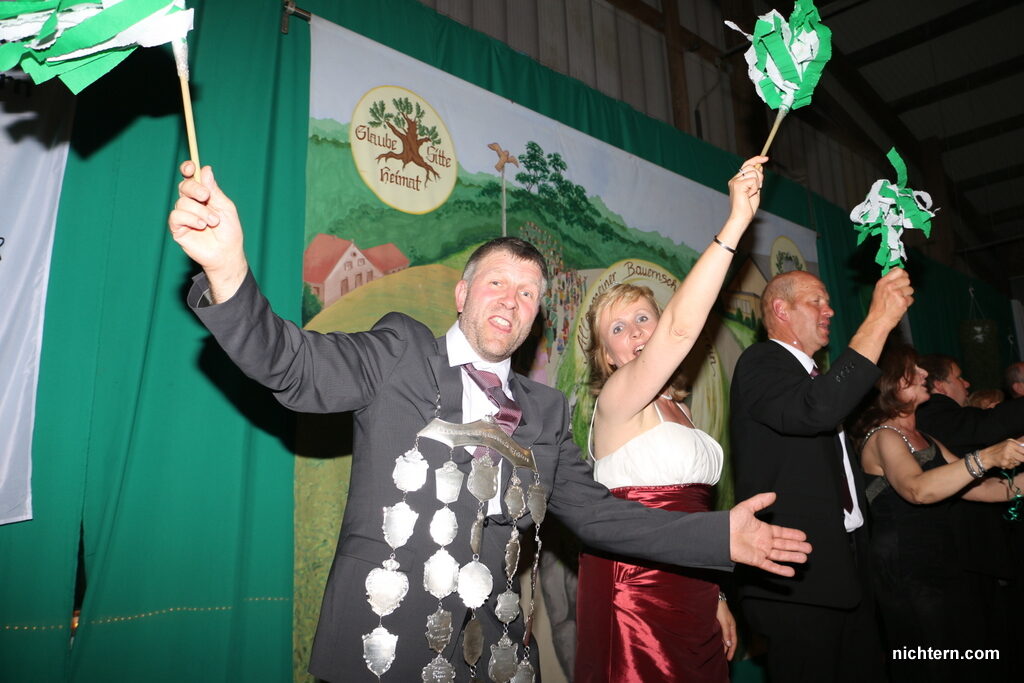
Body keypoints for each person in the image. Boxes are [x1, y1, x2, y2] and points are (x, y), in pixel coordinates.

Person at [168, 161, 811, 682]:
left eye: (528, 294)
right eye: (497, 284)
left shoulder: (547, 413)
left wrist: (717, 537)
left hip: (497, 657)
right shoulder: (400, 352)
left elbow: (601, 517)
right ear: (463, 294)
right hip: (383, 646)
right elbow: (292, 365)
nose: (512, 301)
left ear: (537, 318)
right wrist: (228, 271)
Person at [574, 155, 765, 682]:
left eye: (643, 318)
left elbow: (691, 518)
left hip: (693, 583)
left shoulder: (677, 408)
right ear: (608, 357)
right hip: (635, 589)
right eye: (618, 329)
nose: (635, 332)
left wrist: (716, 594)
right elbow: (681, 329)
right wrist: (736, 222)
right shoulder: (618, 400)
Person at [730, 266, 913, 682]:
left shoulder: (813, 380)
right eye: (816, 301)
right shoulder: (761, 361)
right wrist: (879, 319)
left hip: (846, 569)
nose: (829, 310)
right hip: (798, 580)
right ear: (781, 310)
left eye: (828, 302)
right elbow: (817, 409)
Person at [852, 344, 1024, 682]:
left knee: (964, 659)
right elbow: (918, 490)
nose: (924, 374)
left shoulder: (926, 438)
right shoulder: (884, 436)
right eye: (913, 370)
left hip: (942, 564)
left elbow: (986, 490)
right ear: (890, 382)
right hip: (906, 572)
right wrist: (987, 457)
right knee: (930, 665)